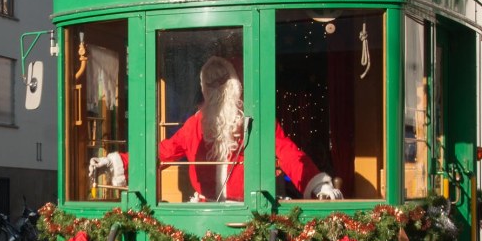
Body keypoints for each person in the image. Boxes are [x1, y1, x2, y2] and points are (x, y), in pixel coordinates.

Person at [89, 55, 341, 202]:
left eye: (223, 81)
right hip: (203, 215)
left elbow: (289, 153)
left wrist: (317, 184)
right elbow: (161, 153)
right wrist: (114, 161)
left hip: (251, 216)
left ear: (234, 85)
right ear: (204, 89)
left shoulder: (255, 122)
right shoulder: (195, 124)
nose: (218, 87)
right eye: (211, 83)